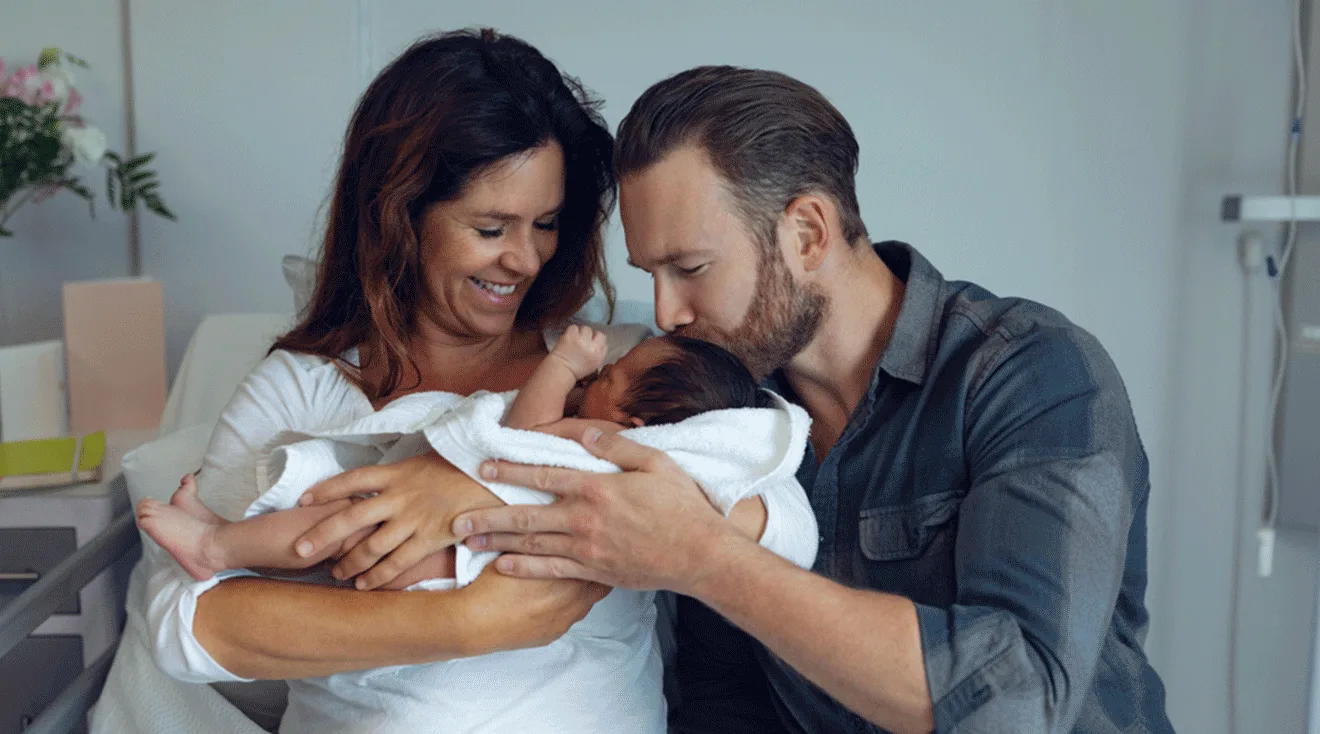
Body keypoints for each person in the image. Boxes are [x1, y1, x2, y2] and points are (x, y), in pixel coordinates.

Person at [295, 66, 1176, 733]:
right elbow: (717, 695)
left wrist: (705, 558)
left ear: (806, 233)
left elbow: (1021, 697)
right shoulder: (716, 413)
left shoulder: (1031, 374)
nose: (668, 313)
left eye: (692, 269)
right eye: (651, 274)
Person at [136, 29, 801, 726]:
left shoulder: (621, 363)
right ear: (401, 217)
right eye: (491, 229)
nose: (525, 259)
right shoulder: (303, 388)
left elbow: (777, 514)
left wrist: (476, 480)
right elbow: (182, 621)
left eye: (545, 224)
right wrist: (471, 621)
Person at [134, 325, 777, 590]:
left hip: (468, 557)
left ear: (631, 421)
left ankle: (216, 549)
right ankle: (223, 540)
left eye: (613, 374)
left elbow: (523, 428)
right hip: (462, 546)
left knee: (335, 524)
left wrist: (561, 365)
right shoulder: (625, 445)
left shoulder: (601, 447)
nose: (600, 369)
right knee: (339, 526)